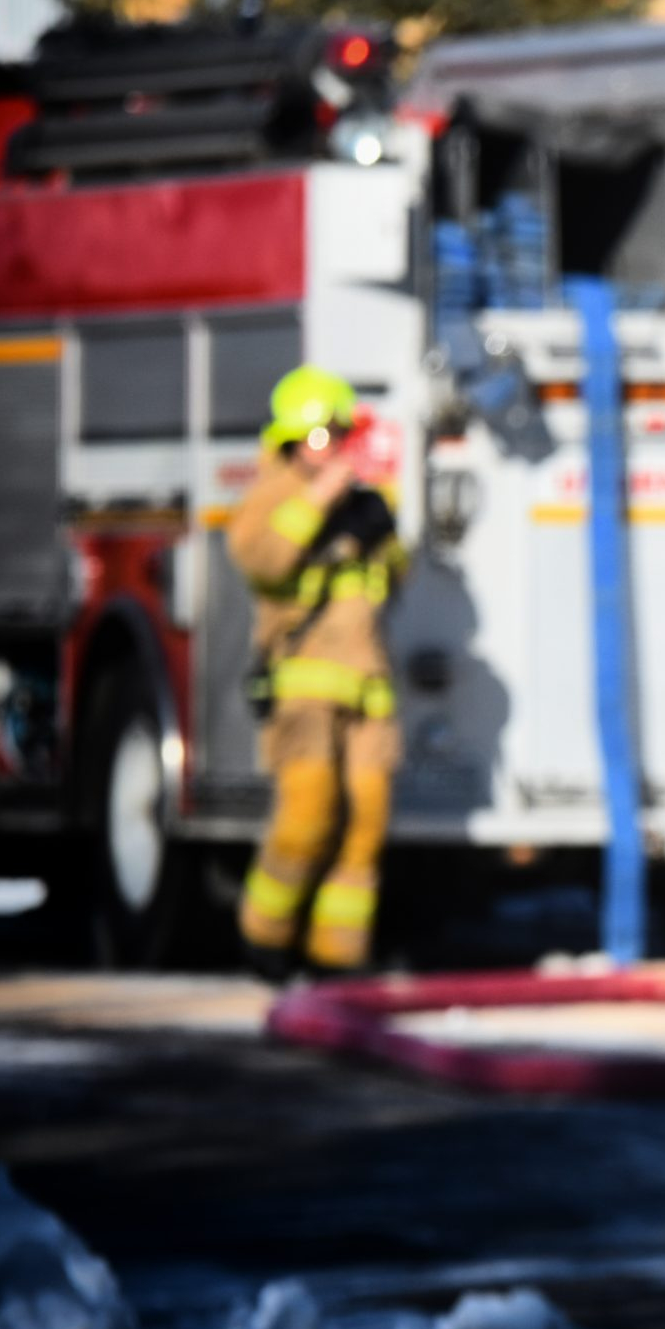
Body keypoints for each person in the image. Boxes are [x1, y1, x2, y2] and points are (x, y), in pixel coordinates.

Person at [226, 366, 406, 980]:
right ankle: (265, 938)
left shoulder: (354, 503)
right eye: (321, 436)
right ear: (291, 439)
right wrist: (320, 504)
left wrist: (383, 530)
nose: (331, 447)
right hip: (304, 691)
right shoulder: (276, 496)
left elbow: (389, 582)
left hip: (367, 690)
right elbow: (263, 561)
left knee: (366, 823)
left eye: (339, 434)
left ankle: (338, 955)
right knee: (308, 813)